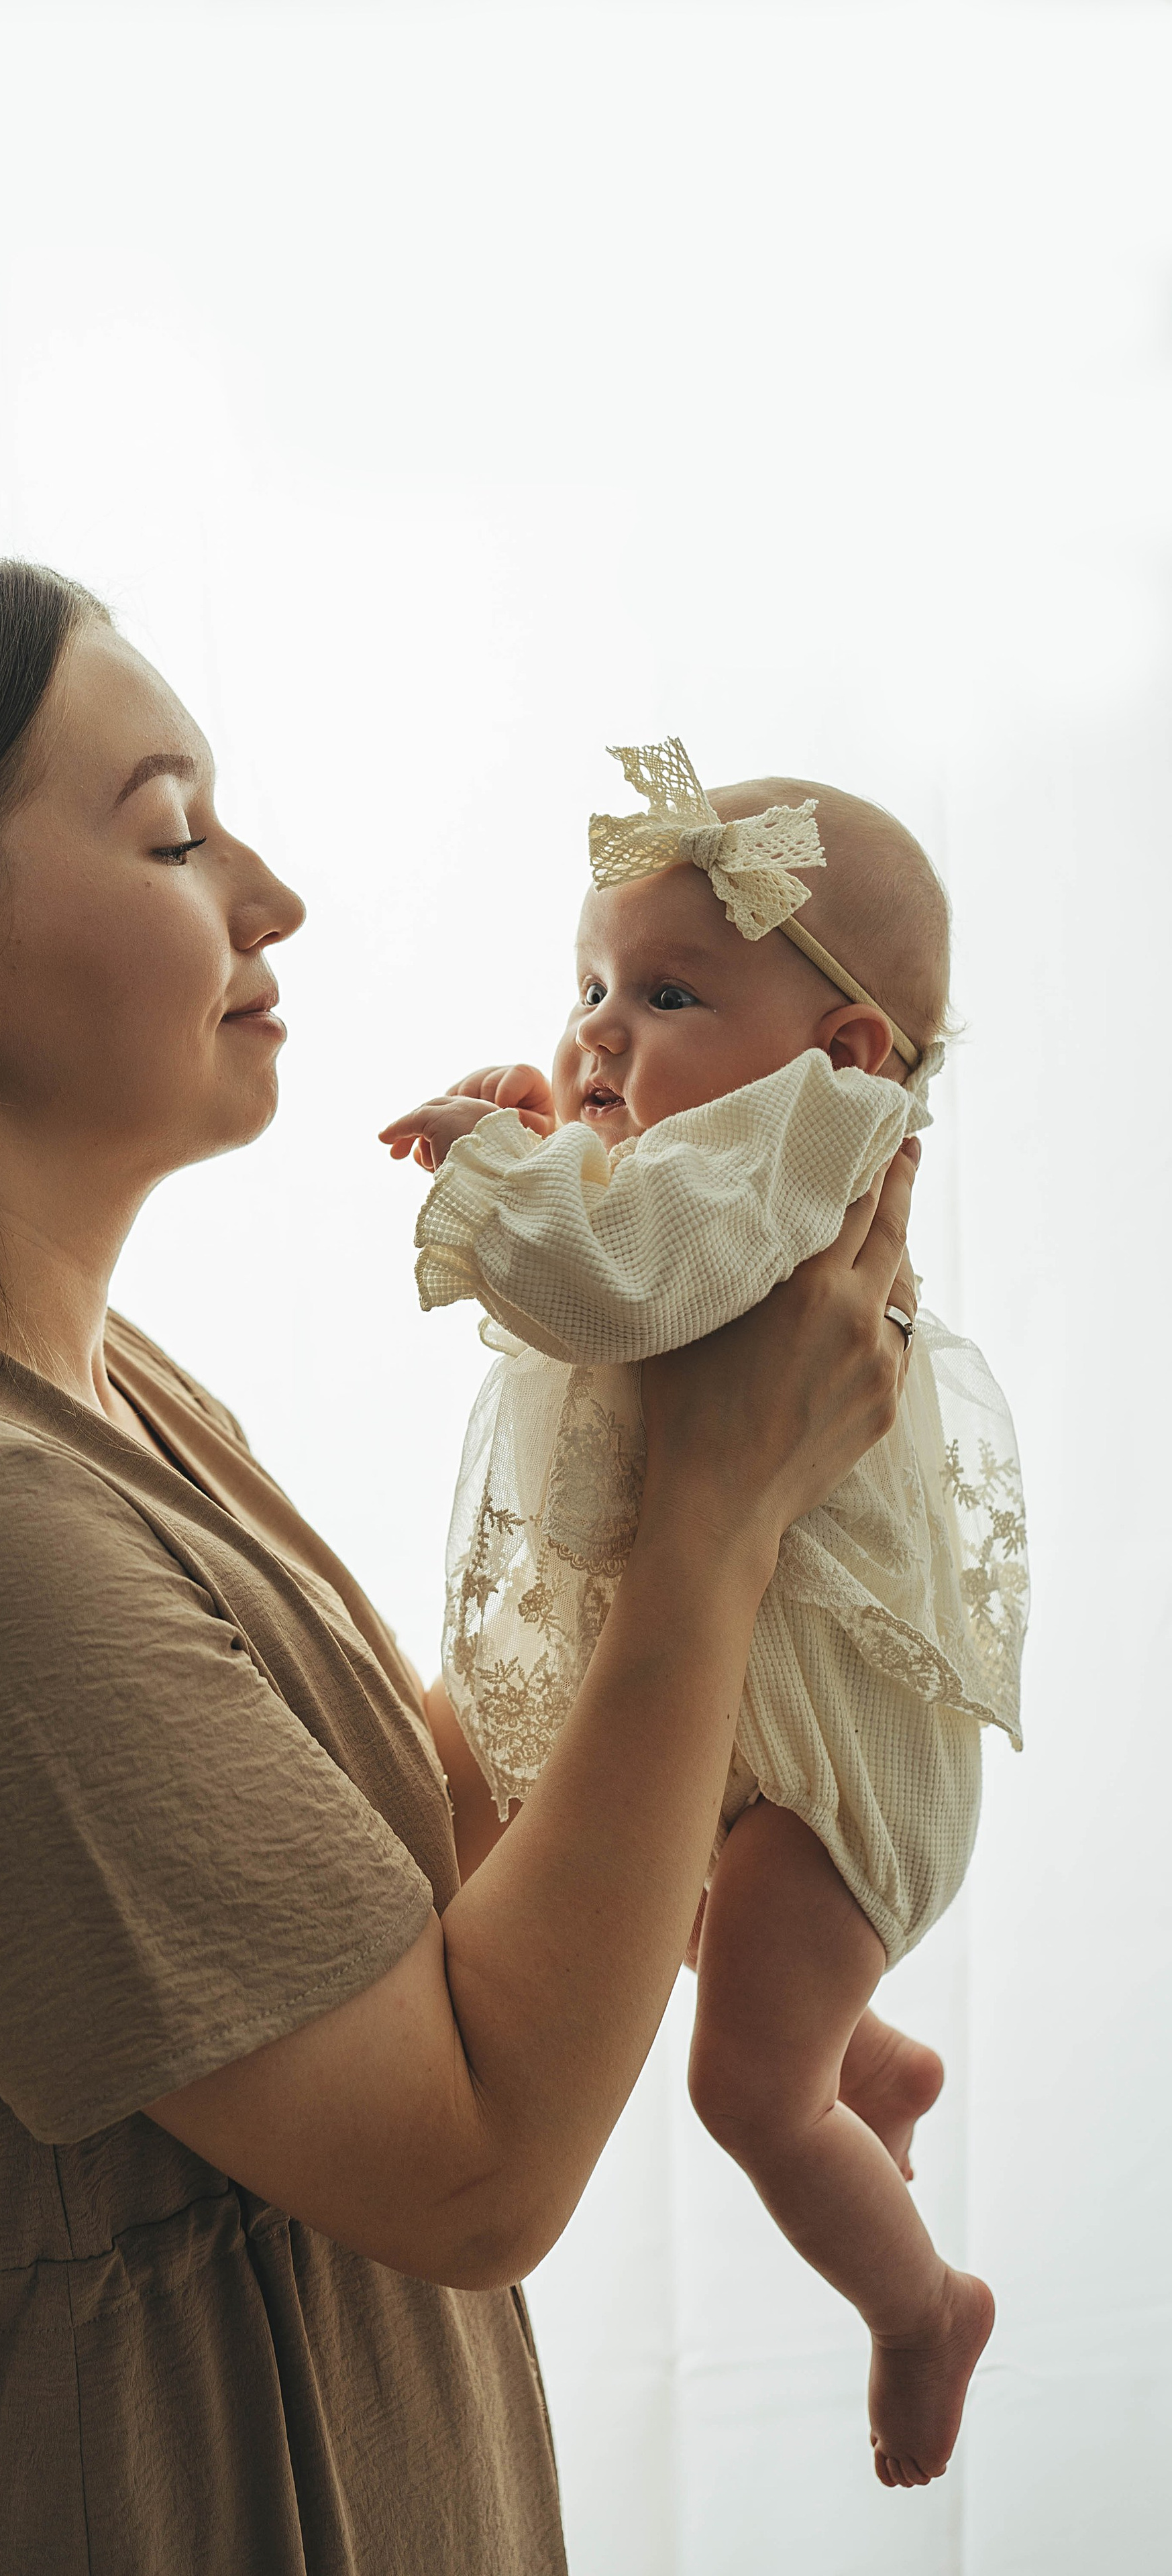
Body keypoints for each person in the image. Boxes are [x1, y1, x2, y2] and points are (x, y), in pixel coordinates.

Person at [0, 571, 921, 2574]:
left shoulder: (107, 1402)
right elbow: (478, 2163)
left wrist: (663, 1420)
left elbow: (434, 1874)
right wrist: (716, 1521)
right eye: (173, 830)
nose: (272, 895)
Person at [380, 738, 1026, 2489]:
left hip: (833, 1765)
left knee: (744, 2091)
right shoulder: (723, 1169)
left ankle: (921, 2307)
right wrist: (554, 1131)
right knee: (638, 1902)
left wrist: (494, 1165)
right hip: (752, 1723)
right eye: (592, 981)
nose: (599, 1030)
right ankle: (871, 2064)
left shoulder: (799, 1154)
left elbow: (609, 1273)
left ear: (846, 1056)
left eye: (666, 991)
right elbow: (624, 1249)